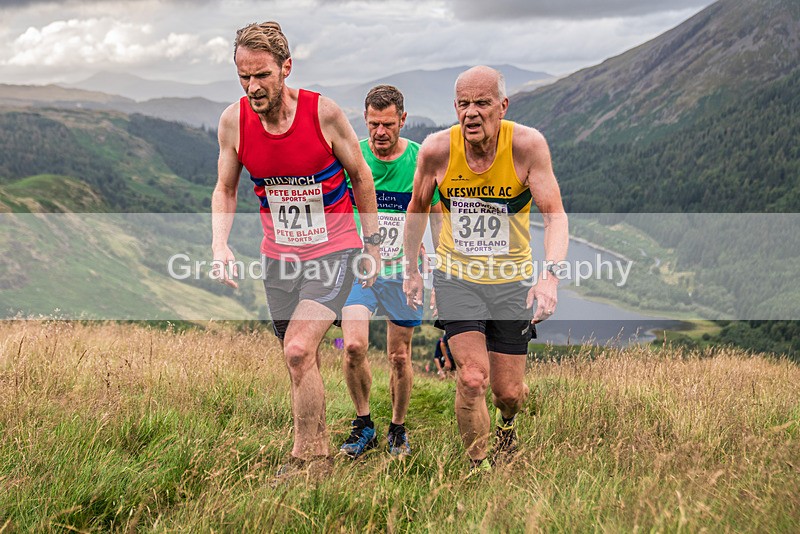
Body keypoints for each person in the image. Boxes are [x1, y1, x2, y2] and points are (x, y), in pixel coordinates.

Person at [211, 21, 381, 466]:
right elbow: (225, 188)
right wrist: (220, 244)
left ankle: (307, 459)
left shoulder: (322, 114)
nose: (252, 86)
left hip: (334, 250)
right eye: (243, 76)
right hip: (279, 261)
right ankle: (317, 453)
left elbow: (361, 177)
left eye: (262, 74)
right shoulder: (233, 122)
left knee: (298, 349)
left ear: (286, 67)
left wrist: (374, 244)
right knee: (300, 360)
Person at [402, 66, 569, 473]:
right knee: (473, 377)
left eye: (482, 103)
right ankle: (480, 469)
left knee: (508, 393)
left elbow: (556, 216)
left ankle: (507, 427)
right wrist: (412, 270)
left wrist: (549, 277)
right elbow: (416, 211)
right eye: (463, 104)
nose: (471, 113)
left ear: (502, 106)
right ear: (454, 108)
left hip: (510, 282)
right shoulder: (437, 151)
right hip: (458, 278)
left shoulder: (527, 147)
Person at [339, 85, 443, 458]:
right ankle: (363, 423)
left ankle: (397, 429)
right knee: (353, 346)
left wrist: (436, 261)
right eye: (372, 125)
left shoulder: (419, 160)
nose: (379, 133)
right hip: (359, 267)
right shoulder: (354, 155)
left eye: (387, 124)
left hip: (405, 271)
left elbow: (435, 213)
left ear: (402, 119)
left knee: (400, 355)